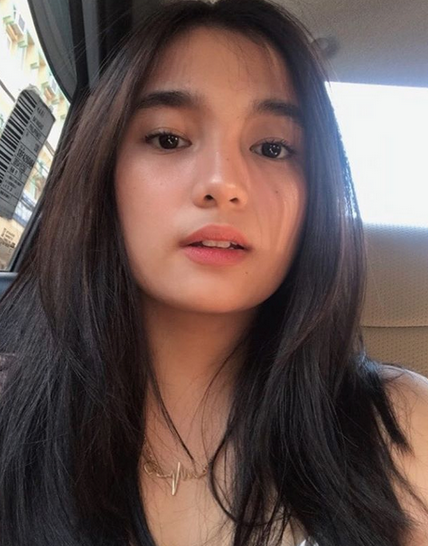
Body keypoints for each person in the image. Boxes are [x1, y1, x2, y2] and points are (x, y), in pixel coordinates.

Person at [0, 0, 427, 545]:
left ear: (314, 198)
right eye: (169, 139)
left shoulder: (405, 431)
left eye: (272, 147)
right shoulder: (14, 415)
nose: (223, 183)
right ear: (104, 172)